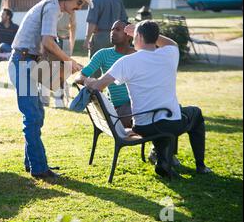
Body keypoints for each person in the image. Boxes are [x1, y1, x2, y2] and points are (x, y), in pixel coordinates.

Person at [83, 20, 212, 179]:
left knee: (168, 117)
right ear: (155, 37)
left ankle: (163, 161)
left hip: (142, 126)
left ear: (138, 36)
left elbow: (98, 86)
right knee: (194, 114)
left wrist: (88, 82)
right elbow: (170, 42)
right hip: (168, 123)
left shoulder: (126, 62)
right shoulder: (170, 53)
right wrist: (140, 29)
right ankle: (200, 166)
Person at [8, 0, 89, 180]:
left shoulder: (53, 7)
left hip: (29, 63)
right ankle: (39, 168)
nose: (79, 7)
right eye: (78, 2)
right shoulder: (53, 9)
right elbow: (48, 43)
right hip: (23, 63)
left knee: (36, 115)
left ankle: (33, 163)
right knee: (33, 117)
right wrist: (70, 62)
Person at [75, 20, 135, 127]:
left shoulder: (138, 54)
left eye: (118, 29)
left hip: (137, 104)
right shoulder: (103, 54)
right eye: (112, 29)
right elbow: (79, 77)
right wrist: (88, 81)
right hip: (122, 111)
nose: (113, 32)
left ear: (129, 36)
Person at [83, 0, 128, 77]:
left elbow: (92, 22)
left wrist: (87, 40)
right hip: (117, 37)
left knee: (95, 67)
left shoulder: (94, 0)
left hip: (100, 37)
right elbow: (125, 20)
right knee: (114, 65)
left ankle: (94, 91)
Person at [42, 11, 77, 108]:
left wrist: (71, 45)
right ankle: (46, 100)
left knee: (60, 73)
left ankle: (59, 101)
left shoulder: (70, 8)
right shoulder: (51, 7)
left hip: (64, 41)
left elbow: (73, 26)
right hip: (52, 41)